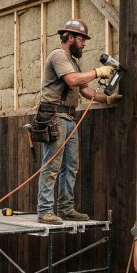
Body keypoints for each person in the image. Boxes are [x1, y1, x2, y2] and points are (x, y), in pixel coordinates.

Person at [35, 19, 122, 225]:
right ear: (70, 37)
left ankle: (65, 208)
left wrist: (108, 99)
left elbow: (84, 90)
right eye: (81, 39)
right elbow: (73, 81)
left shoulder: (73, 62)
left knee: (71, 166)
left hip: (69, 118)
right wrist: (98, 72)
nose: (84, 44)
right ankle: (45, 210)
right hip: (54, 117)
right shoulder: (58, 56)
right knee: (52, 165)